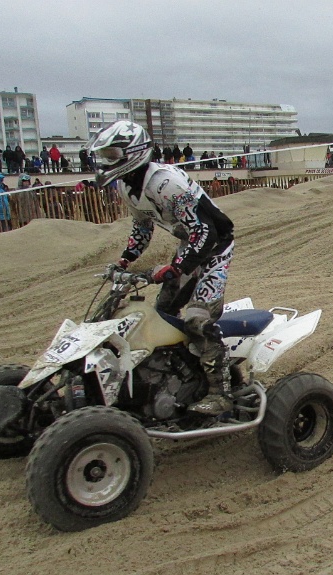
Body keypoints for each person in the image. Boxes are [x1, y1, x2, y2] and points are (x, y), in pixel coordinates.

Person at [87, 120, 235, 415]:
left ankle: (221, 392)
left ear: (134, 152)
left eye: (113, 154)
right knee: (162, 315)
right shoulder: (127, 186)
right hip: (189, 246)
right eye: (104, 155)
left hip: (214, 248)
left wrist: (176, 267)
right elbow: (142, 224)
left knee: (197, 319)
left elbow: (206, 231)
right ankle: (177, 376)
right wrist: (126, 259)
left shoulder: (166, 183)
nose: (107, 161)